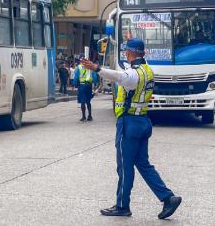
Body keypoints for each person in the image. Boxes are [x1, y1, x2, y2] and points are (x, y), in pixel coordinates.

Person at [84, 38, 182, 219]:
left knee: (125, 166)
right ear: (142, 53)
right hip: (143, 121)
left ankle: (122, 206)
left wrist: (97, 68)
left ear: (130, 53)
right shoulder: (147, 71)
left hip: (129, 123)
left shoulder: (134, 74)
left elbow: (121, 77)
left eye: (126, 52)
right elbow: (124, 75)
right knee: (143, 164)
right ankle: (168, 198)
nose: (125, 54)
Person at [74, 57, 96, 122]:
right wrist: (94, 83)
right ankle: (90, 116)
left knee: (82, 102)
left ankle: (83, 117)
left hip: (82, 86)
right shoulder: (91, 66)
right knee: (88, 101)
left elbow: (76, 76)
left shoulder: (79, 67)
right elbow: (94, 76)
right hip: (89, 85)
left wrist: (75, 84)